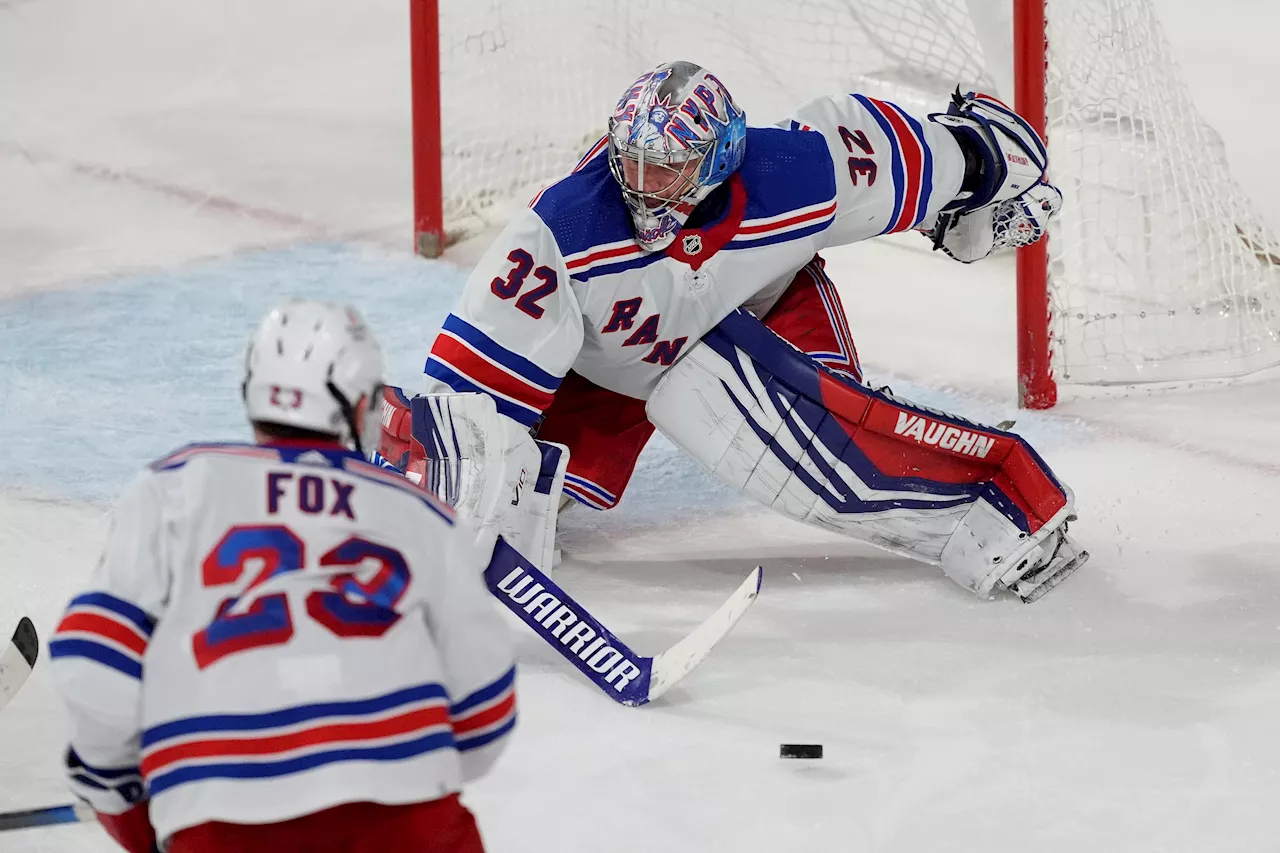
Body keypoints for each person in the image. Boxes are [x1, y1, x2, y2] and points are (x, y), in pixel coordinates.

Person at [379, 60, 1086, 603]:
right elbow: (472, 385)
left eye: (669, 166)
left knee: (808, 446)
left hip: (766, 310)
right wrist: (461, 463)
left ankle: (1006, 506)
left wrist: (983, 161)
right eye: (633, 161)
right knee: (511, 488)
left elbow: (918, 157)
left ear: (720, 158)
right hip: (613, 367)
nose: (645, 183)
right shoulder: (563, 231)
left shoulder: (796, 172)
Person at [49, 300, 515, 853]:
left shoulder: (173, 489)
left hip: (224, 818)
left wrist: (121, 798)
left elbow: (94, 662)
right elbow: (485, 701)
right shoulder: (419, 512)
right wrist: (412, 772)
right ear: (362, 402)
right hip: (407, 820)